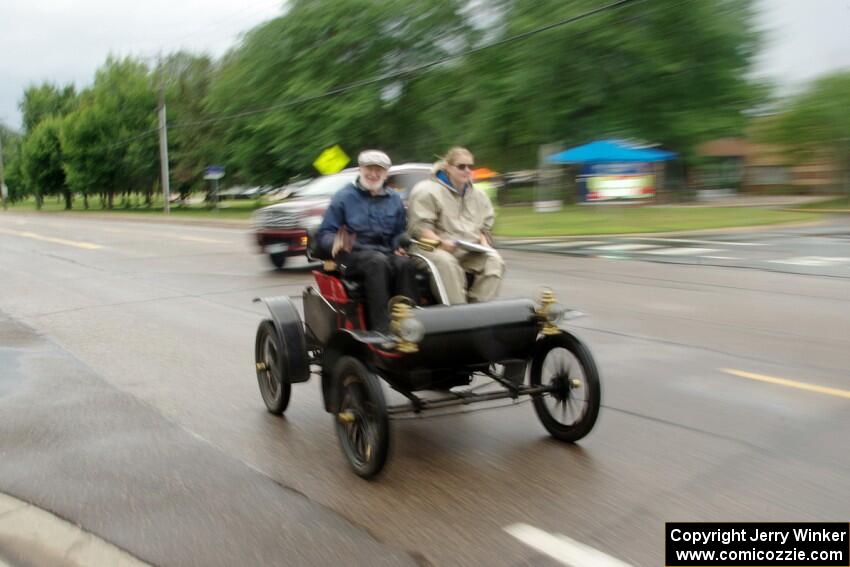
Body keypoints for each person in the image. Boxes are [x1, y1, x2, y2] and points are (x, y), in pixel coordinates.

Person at [316, 150, 418, 333]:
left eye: (379, 169)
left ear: (386, 173)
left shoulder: (394, 199)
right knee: (376, 262)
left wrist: (399, 245)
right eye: (369, 168)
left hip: (385, 255)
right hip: (352, 258)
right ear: (361, 169)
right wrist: (336, 241)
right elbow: (324, 233)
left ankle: (408, 325)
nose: (373, 173)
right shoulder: (344, 197)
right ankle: (382, 328)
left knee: (406, 264)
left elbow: (398, 232)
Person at [407, 147, 505, 304]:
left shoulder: (478, 196)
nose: (467, 170)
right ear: (448, 167)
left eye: (470, 166)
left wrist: (484, 244)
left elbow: (483, 228)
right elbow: (421, 228)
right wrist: (442, 244)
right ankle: (460, 314)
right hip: (431, 247)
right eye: (461, 166)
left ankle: (479, 311)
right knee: (447, 262)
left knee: (494, 260)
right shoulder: (426, 190)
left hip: (466, 249)